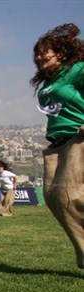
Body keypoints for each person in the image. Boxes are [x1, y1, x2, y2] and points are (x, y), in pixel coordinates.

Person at [31, 23, 84, 269]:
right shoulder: (48, 83)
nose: (39, 58)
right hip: (57, 143)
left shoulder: (76, 70)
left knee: (68, 196)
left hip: (78, 137)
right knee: (52, 197)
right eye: (37, 55)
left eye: (45, 52)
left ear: (61, 53)